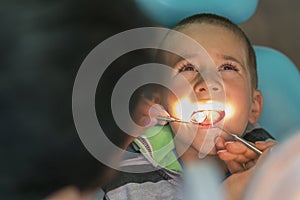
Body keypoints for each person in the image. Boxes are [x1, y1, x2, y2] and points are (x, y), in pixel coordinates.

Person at [102, 13, 276, 199]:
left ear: (254, 106)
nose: (208, 83)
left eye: (227, 67)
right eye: (187, 68)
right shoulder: (126, 176)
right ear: (159, 105)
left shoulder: (275, 164)